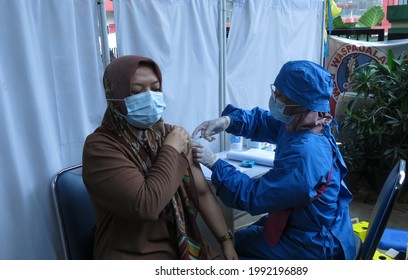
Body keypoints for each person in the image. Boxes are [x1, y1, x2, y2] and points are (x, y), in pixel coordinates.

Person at [191, 60, 356, 260]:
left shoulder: (305, 154)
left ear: (300, 103)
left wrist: (215, 164)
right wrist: (229, 121)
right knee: (240, 237)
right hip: (307, 223)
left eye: (280, 96)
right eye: (275, 92)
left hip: (313, 244)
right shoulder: (306, 121)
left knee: (232, 247)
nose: (274, 99)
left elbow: (253, 196)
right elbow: (264, 121)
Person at [82, 55, 238, 260]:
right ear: (114, 95)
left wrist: (226, 241)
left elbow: (202, 193)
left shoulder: (171, 135)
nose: (149, 97)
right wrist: (171, 151)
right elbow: (146, 205)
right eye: (136, 91)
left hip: (183, 245)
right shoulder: (101, 148)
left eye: (155, 89)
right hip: (134, 254)